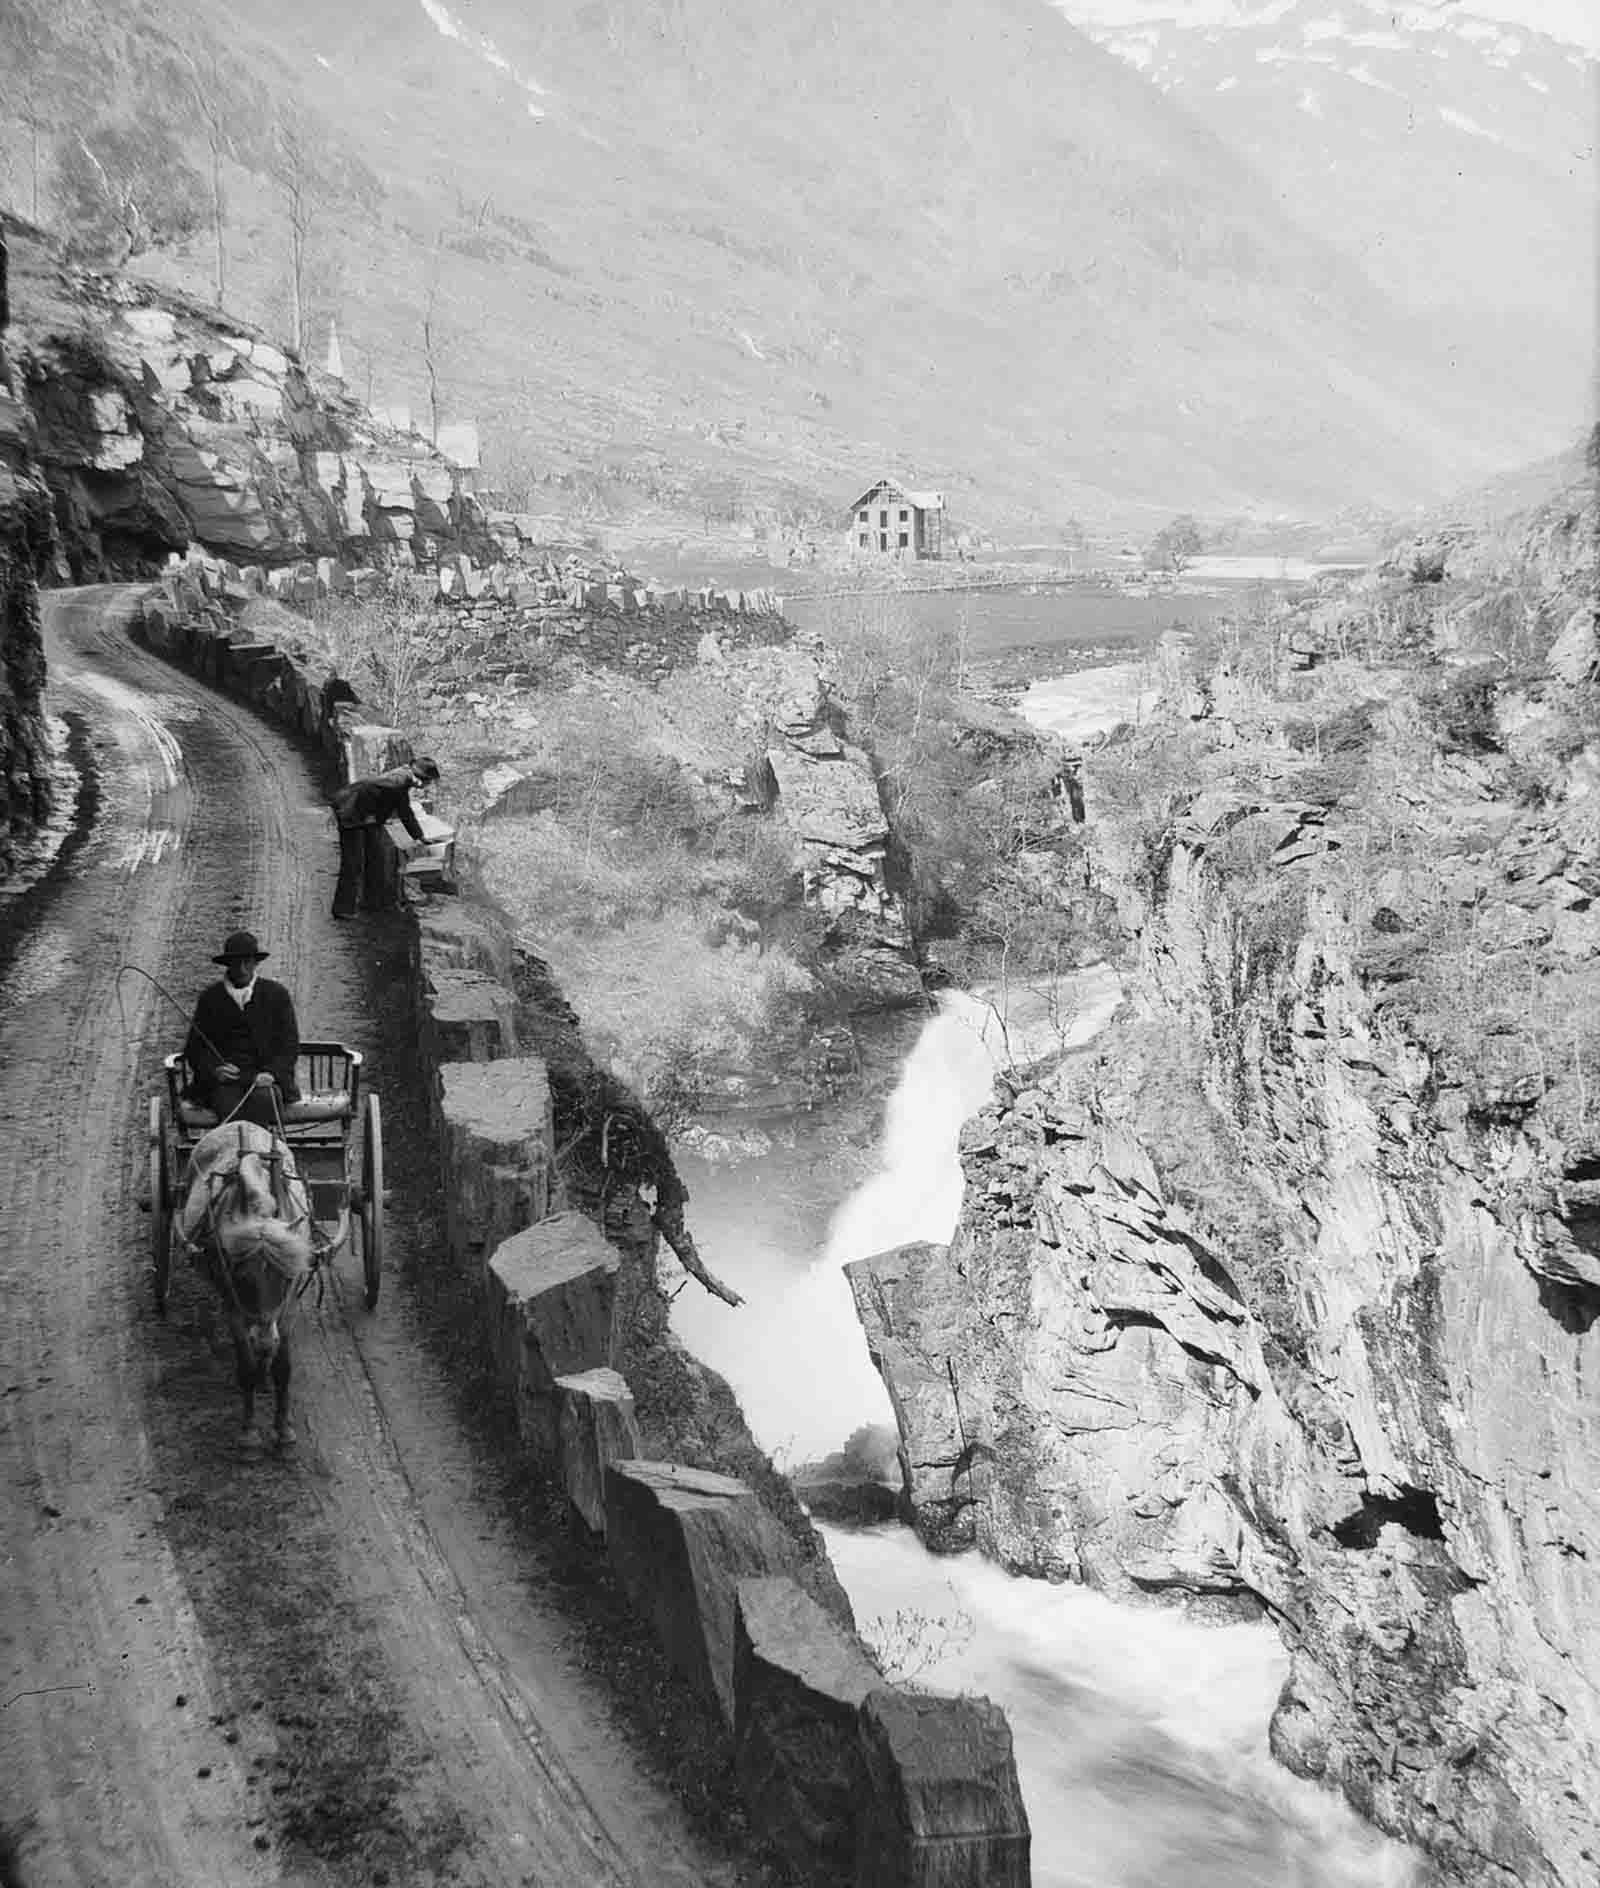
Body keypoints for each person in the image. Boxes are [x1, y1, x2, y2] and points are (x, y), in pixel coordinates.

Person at [184, 931, 301, 1128]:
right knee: (227, 1103)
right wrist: (215, 1071)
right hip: (225, 1085)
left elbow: (289, 1046)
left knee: (265, 1099)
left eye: (247, 962)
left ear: (256, 963)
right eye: (235, 963)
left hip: (265, 1081)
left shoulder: (276, 995)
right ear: (227, 965)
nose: (241, 968)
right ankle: (234, 1153)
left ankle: (266, 1152)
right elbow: (195, 1050)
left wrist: (272, 1073)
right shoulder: (210, 999)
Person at [331, 755, 441, 920]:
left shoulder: (402, 777)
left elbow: (401, 809)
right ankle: (343, 909)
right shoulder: (399, 783)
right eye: (427, 782)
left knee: (374, 855)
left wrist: (419, 836)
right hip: (351, 813)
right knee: (352, 863)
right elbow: (405, 812)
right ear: (421, 779)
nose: (425, 787)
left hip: (362, 813)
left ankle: (371, 901)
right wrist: (419, 837)